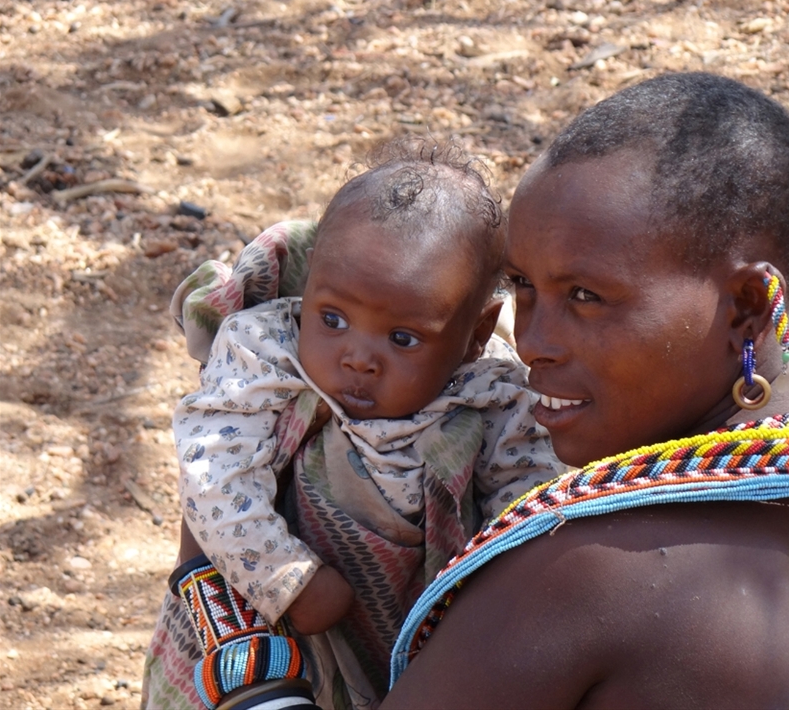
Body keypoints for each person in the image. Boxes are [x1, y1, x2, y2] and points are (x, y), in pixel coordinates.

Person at [383, 73, 789, 709]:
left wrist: (256, 667)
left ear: (747, 308)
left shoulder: (586, 571)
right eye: (521, 284)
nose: (532, 341)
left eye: (585, 296)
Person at [141, 141, 564, 710]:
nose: (357, 358)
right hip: (263, 641)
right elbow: (214, 474)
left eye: (402, 339)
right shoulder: (268, 353)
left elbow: (530, 507)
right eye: (333, 318)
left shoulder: (496, 397)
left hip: (421, 649)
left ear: (475, 333)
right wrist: (286, 579)